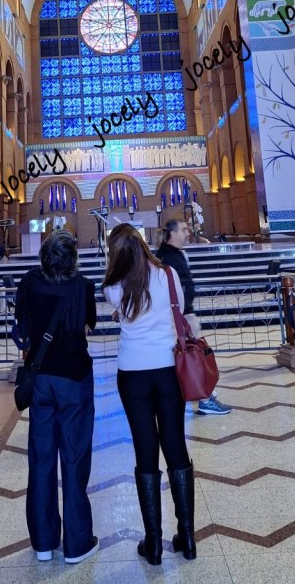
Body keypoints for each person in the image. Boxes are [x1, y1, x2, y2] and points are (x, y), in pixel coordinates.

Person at [102, 224, 196, 566]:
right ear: (143, 245)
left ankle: (153, 542)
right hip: (169, 369)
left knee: (145, 449)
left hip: (133, 374)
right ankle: (187, 537)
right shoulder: (168, 274)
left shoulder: (114, 285)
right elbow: (178, 308)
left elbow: (117, 301)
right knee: (175, 444)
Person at [14, 230, 98, 564]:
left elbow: (22, 327)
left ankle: (43, 541)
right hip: (74, 380)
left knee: (41, 458)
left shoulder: (29, 282)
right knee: (75, 459)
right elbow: (88, 326)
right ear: (73, 259)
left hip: (42, 379)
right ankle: (77, 543)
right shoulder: (83, 287)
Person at [156, 219, 232, 416]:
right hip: (180, 317)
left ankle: (204, 394)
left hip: (182, 315)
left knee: (193, 357)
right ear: (172, 233)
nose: (188, 233)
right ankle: (205, 399)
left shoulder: (172, 254)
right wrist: (182, 315)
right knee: (194, 358)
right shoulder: (168, 257)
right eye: (183, 230)